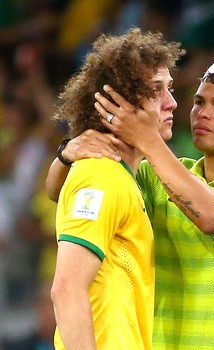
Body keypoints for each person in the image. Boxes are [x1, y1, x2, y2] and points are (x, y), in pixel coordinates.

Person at [47, 56, 214, 349]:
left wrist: (148, 139)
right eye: (199, 101)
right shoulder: (160, 176)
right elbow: (66, 189)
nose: (203, 113)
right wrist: (68, 152)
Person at [48, 27, 184, 350]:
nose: (172, 103)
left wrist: (63, 154)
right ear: (117, 102)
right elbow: (66, 289)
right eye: (156, 90)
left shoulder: (123, 176)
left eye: (170, 88)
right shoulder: (101, 174)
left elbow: (54, 190)